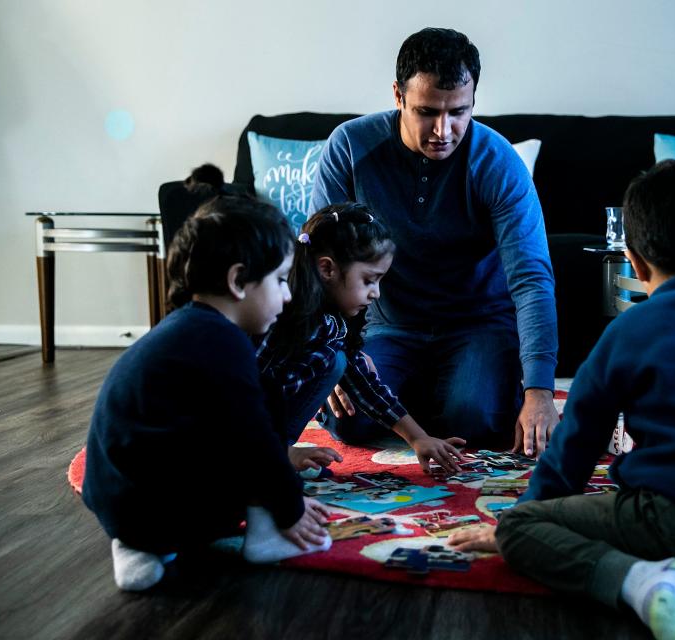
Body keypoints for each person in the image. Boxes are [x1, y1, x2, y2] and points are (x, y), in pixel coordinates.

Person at [449, 161, 675, 640]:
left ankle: (641, 582)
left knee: (519, 530)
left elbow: (573, 449)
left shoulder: (628, 331)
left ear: (635, 263)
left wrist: (525, 520)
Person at [310, 27, 559, 457]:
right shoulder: (349, 147)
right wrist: (331, 354)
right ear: (398, 96)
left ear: (474, 100)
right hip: (388, 325)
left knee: (475, 421)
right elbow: (320, 262)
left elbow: (531, 278)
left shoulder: (498, 163)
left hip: (477, 325)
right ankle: (427, 394)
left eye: (459, 112)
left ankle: (464, 390)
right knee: (348, 417)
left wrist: (539, 391)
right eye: (427, 111)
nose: (443, 130)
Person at [83, 196, 332, 592]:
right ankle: (266, 532)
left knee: (245, 407)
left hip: (120, 510)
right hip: (175, 512)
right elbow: (255, 444)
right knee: (262, 407)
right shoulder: (224, 344)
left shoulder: (184, 329)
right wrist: (290, 508)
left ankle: (139, 546)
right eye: (281, 281)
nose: (287, 296)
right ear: (237, 281)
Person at [258, 202, 467, 475]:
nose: (376, 293)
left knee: (339, 361)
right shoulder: (276, 313)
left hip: (257, 427)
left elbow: (365, 385)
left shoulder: (332, 323)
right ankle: (269, 455)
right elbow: (239, 392)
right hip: (230, 425)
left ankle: (274, 451)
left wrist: (418, 437)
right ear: (327, 269)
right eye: (369, 280)